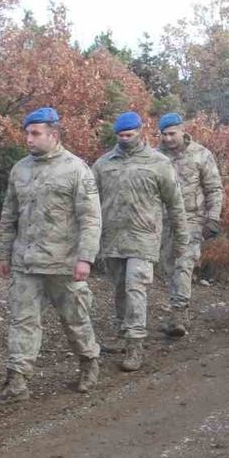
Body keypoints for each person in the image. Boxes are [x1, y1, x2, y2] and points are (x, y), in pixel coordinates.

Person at [0, 107, 102, 405]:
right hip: (25, 262)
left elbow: (91, 218)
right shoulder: (20, 169)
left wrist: (85, 258)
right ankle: (17, 381)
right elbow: (9, 214)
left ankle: (89, 362)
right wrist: (3, 253)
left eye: (35, 133)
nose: (28, 139)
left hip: (63, 262)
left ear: (53, 135)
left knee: (74, 318)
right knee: (22, 321)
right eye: (27, 133)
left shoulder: (76, 169)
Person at [93, 111, 187, 371]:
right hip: (112, 238)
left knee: (135, 287)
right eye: (121, 135)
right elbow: (89, 203)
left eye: (129, 134)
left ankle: (135, 344)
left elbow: (175, 203)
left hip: (144, 237)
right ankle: (123, 332)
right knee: (119, 288)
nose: (125, 139)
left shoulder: (159, 163)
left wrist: (181, 238)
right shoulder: (103, 165)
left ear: (140, 131)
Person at [157, 113, 224, 337]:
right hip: (165, 220)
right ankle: (179, 310)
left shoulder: (201, 154)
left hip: (192, 219)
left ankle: (178, 314)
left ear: (182, 131)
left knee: (183, 263)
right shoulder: (156, 157)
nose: (168, 138)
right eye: (164, 134)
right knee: (169, 267)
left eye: (172, 134)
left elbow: (214, 188)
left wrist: (213, 218)